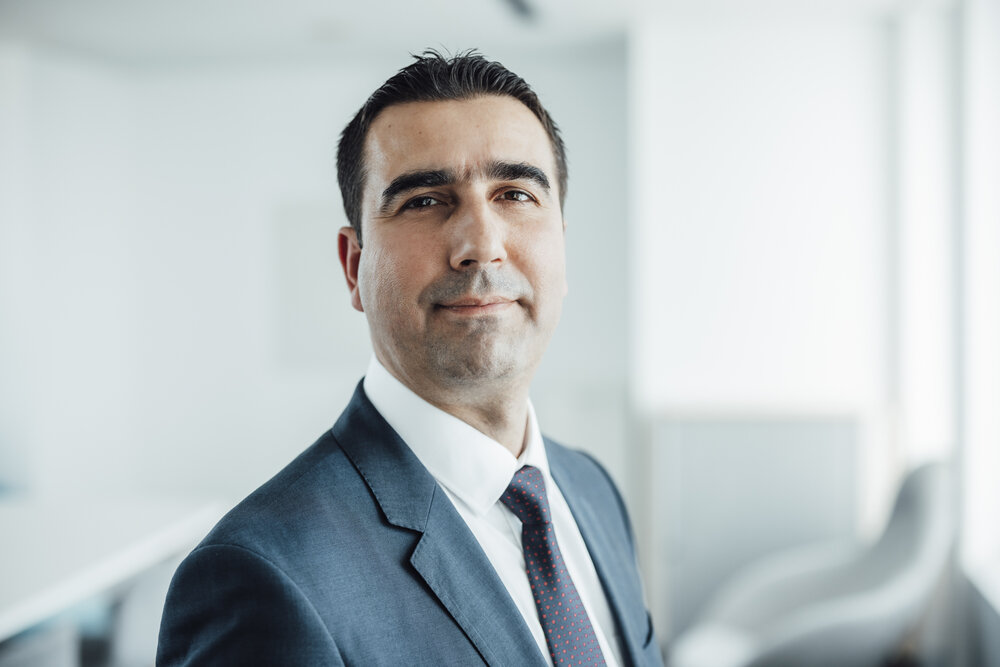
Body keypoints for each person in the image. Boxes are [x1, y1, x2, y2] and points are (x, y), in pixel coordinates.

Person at [157, 50, 662, 667]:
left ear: (562, 243)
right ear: (353, 266)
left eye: (515, 194)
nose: (481, 246)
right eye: (425, 200)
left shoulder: (592, 491)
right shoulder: (264, 575)